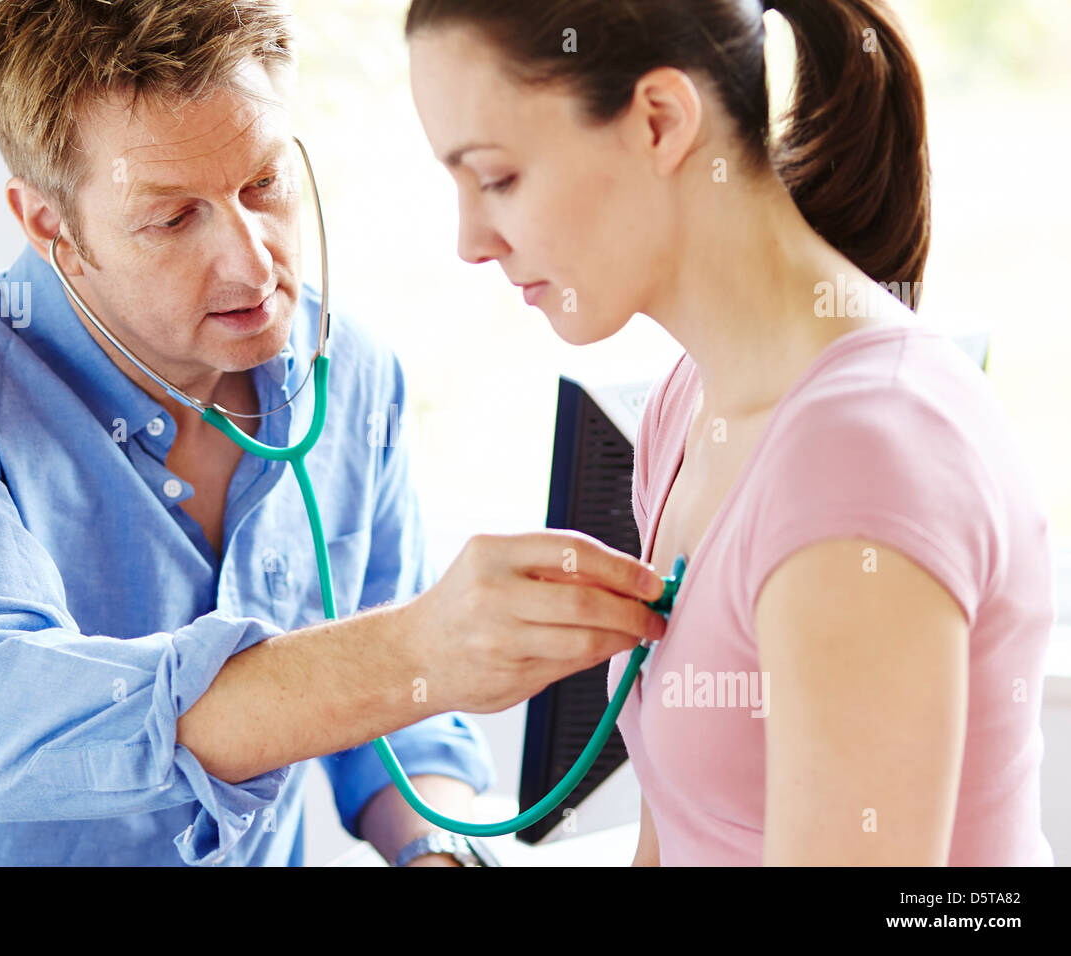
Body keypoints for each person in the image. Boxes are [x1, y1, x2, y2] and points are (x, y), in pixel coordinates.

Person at [0, 0, 669, 867]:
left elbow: (395, 720)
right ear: (49, 224)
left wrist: (439, 851)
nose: (254, 262)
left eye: (264, 184)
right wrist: (418, 648)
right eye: (173, 219)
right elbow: (15, 738)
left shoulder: (350, 373)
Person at [406, 0, 1056, 865]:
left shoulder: (864, 460)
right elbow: (672, 838)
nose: (470, 242)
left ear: (659, 121)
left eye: (496, 178)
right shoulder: (689, 403)